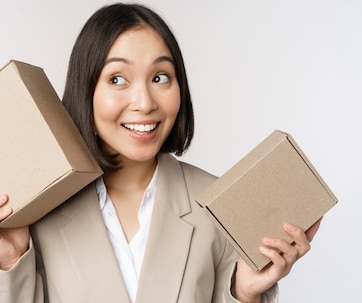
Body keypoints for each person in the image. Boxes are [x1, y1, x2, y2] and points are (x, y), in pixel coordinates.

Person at [0, 3, 321, 303]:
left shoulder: (221, 206)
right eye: (117, 79)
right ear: (87, 91)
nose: (144, 102)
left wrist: (244, 293)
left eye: (160, 77)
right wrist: (13, 260)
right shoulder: (39, 212)